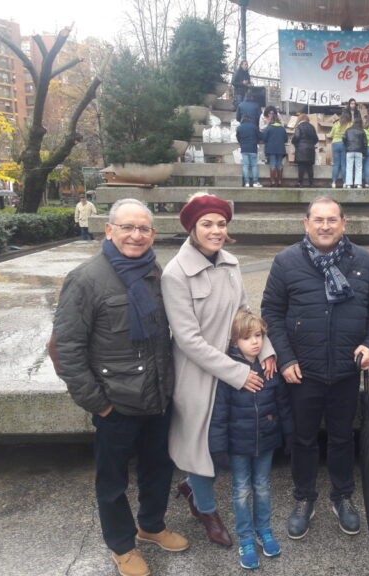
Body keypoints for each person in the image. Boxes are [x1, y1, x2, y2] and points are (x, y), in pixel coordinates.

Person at [49, 198, 189, 576]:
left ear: (153, 235)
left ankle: (151, 526)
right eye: (127, 227)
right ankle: (121, 545)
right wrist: (98, 403)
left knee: (158, 468)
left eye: (143, 228)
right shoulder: (86, 278)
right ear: (108, 230)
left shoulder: (153, 272)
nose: (135, 235)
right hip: (115, 404)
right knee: (112, 482)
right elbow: (65, 349)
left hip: (158, 396)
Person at [261, 196, 369, 540]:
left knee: (343, 437)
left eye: (332, 220)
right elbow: (271, 312)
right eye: (318, 220)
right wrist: (285, 358)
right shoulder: (286, 262)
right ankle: (304, 498)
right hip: (302, 372)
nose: (326, 226)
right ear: (306, 224)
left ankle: (342, 496)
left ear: (344, 224)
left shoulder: (363, 261)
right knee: (302, 439)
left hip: (346, 369)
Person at [162, 193, 277, 553]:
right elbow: (188, 339)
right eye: (207, 224)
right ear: (192, 228)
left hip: (234, 365)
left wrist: (267, 349)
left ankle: (194, 488)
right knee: (202, 445)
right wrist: (237, 373)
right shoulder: (175, 273)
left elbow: (244, 310)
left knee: (228, 442)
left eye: (221, 224)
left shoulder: (230, 262)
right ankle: (206, 509)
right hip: (199, 375)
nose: (215, 230)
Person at [210, 310, 293, 569]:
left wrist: (289, 433)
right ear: (235, 342)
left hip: (265, 441)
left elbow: (282, 405)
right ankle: (246, 537)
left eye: (258, 335)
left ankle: (263, 530)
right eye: (247, 338)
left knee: (263, 486)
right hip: (237, 445)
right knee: (241, 490)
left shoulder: (269, 368)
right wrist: (218, 446)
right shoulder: (229, 373)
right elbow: (219, 413)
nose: (255, 342)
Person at [236, 114, 263, 188]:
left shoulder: (239, 128)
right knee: (254, 166)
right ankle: (255, 182)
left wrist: (242, 143)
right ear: (249, 119)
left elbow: (238, 138)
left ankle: (247, 183)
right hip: (253, 148)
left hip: (244, 148)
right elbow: (259, 136)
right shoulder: (254, 127)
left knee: (245, 166)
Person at [262, 111, 288, 187]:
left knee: (273, 164)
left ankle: (272, 181)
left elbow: (264, 138)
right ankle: (280, 181)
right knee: (279, 164)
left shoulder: (268, 128)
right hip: (280, 149)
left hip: (271, 149)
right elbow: (285, 139)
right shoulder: (282, 128)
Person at [291, 114, 318, 187]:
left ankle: (300, 183)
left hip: (301, 149)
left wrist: (293, 142)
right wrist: (311, 144)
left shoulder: (299, 127)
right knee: (309, 167)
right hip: (310, 149)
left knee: (301, 166)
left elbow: (296, 136)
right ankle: (311, 183)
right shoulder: (312, 127)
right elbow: (316, 139)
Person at [328, 110, 352, 189]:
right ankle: (345, 182)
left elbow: (331, 135)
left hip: (335, 144)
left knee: (336, 164)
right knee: (343, 164)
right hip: (344, 144)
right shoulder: (349, 124)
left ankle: (334, 182)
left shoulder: (336, 124)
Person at [343, 114, 366, 189]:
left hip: (349, 151)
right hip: (359, 151)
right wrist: (364, 152)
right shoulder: (362, 131)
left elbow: (343, 138)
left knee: (349, 167)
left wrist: (347, 145)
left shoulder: (348, 130)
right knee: (358, 168)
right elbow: (365, 143)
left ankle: (349, 184)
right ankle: (358, 184)